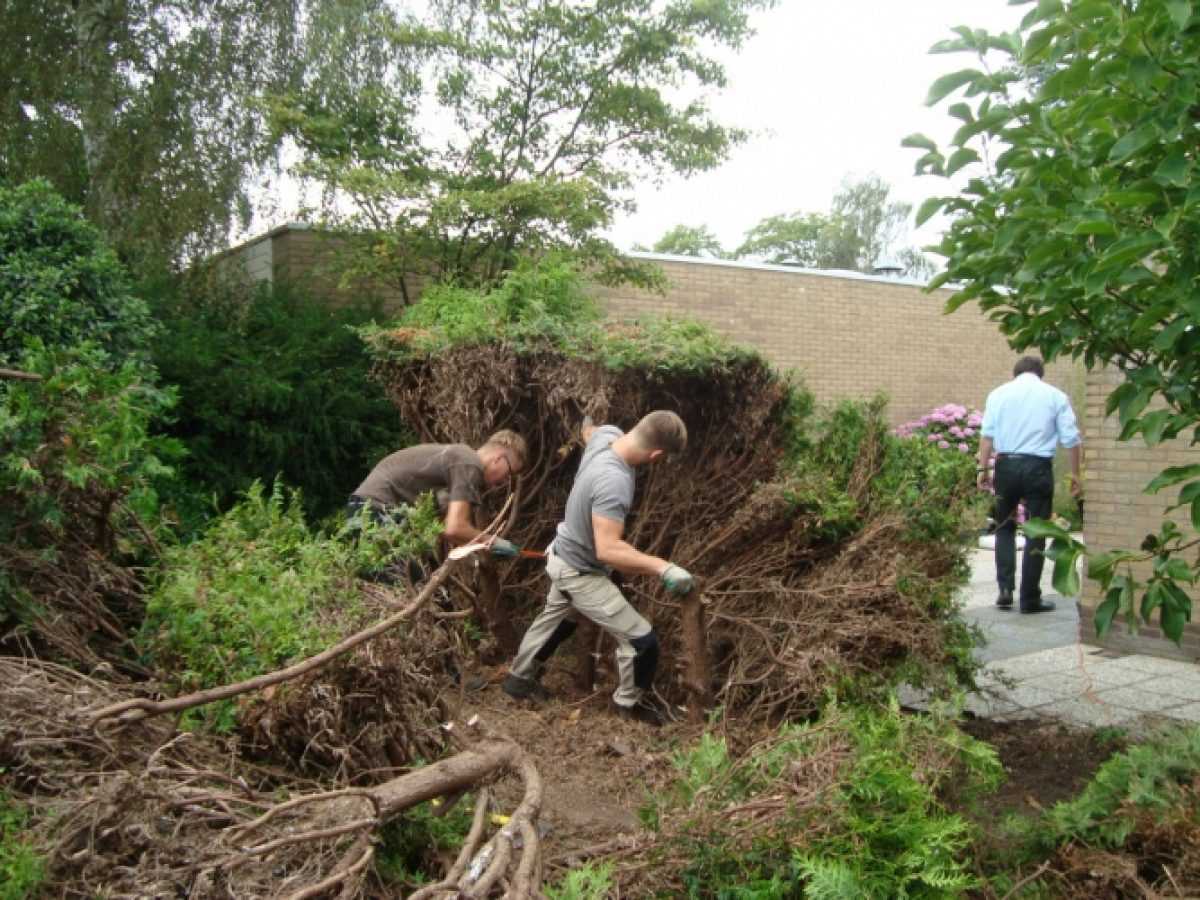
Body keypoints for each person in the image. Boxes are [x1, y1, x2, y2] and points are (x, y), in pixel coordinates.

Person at [501, 411, 695, 726]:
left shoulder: (608, 437)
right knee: (642, 642)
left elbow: (589, 431)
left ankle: (519, 680)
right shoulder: (614, 481)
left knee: (561, 619)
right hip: (580, 571)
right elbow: (609, 549)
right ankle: (629, 707)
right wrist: (664, 568)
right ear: (657, 454)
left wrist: (587, 420)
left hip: (563, 554)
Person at [977, 356, 1082, 613]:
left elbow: (987, 435)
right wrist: (1076, 476)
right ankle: (1029, 598)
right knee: (1037, 531)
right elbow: (1071, 440)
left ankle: (1004, 589)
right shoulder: (1055, 396)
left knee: (1004, 526)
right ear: (1040, 373)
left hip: (1006, 465)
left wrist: (983, 469)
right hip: (1038, 468)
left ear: (1016, 373)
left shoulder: (998, 394)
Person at [347, 430, 528, 564]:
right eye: (509, 473)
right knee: (414, 587)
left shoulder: (460, 463)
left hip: (369, 511)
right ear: (498, 458)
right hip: (375, 512)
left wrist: (476, 550)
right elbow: (454, 527)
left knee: (431, 590)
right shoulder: (469, 462)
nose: (505, 482)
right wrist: (495, 541)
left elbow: (441, 527)